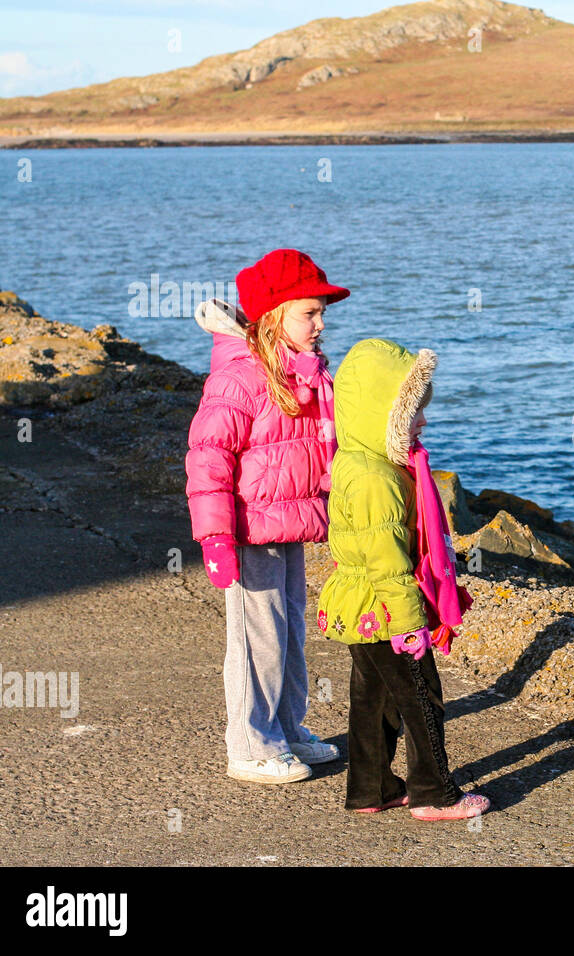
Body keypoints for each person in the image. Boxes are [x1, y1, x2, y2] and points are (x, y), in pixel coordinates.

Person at [185, 249, 347, 784]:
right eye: (311, 314)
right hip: (251, 530)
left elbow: (318, 446)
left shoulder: (305, 372)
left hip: (291, 523)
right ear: (276, 315)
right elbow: (208, 458)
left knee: (290, 629)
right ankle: (250, 745)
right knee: (258, 639)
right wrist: (214, 537)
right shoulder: (241, 378)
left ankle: (286, 729)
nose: (321, 324)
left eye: (323, 313)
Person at [318, 338, 489, 819]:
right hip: (386, 608)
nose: (423, 422)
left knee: (372, 700)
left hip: (360, 604)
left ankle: (370, 789)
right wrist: (411, 622)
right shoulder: (378, 478)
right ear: (383, 415)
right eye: (412, 413)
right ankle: (434, 793)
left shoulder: (356, 460)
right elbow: (388, 561)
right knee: (420, 700)